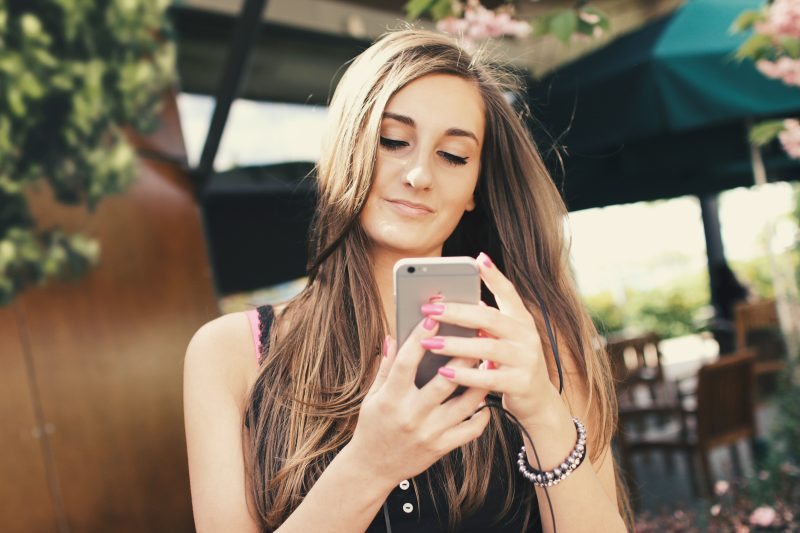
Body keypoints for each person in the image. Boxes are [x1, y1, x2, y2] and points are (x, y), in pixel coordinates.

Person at [184, 28, 629, 532]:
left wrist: (545, 415)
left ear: (474, 191)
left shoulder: (533, 342)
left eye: (454, 155)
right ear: (347, 149)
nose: (419, 174)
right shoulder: (230, 355)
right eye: (394, 141)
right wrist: (372, 464)